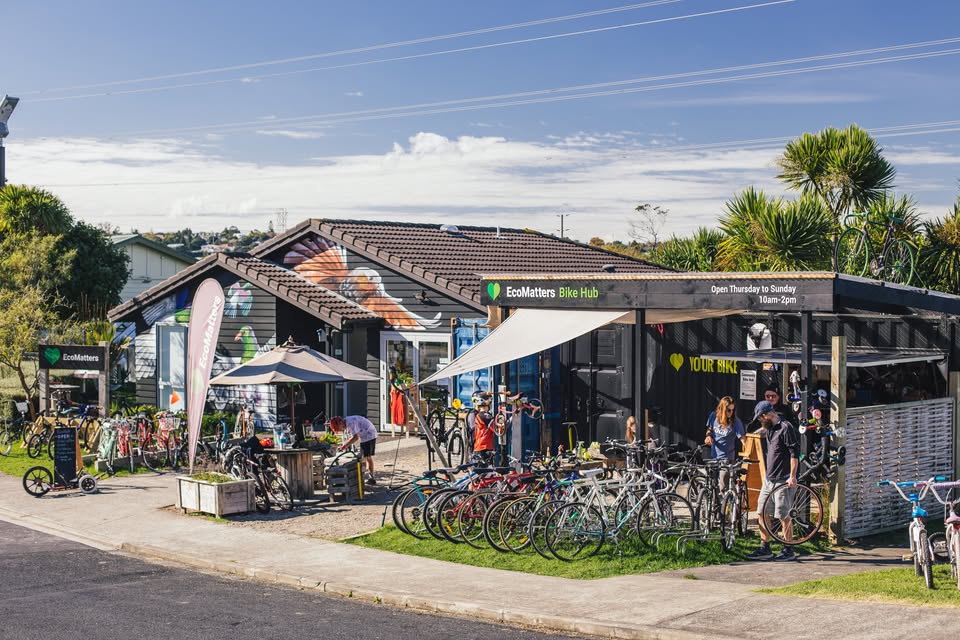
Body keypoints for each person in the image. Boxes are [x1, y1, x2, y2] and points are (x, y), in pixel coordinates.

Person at [747, 400, 800, 561]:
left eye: (760, 418)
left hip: (782, 479)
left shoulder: (786, 428)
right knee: (761, 512)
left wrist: (792, 476)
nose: (760, 421)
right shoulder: (770, 428)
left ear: (766, 415)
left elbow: (794, 454)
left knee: (783, 515)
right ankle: (765, 547)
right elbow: (762, 431)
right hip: (769, 479)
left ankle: (788, 548)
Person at [704, 396, 746, 490]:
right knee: (713, 485)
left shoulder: (736, 421)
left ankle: (727, 504)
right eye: (728, 410)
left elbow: (743, 439)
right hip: (714, 456)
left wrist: (748, 451)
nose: (731, 413)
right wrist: (708, 436)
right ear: (722, 409)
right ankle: (717, 504)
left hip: (727, 459)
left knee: (723, 486)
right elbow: (709, 429)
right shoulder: (713, 416)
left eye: (732, 410)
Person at [330, 415, 378, 485]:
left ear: (340, 423)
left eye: (338, 429)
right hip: (365, 435)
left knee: (367, 457)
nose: (340, 430)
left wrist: (345, 446)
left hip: (369, 434)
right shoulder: (347, 422)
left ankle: (371, 477)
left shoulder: (351, 423)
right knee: (365, 457)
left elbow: (355, 437)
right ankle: (367, 476)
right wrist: (345, 445)